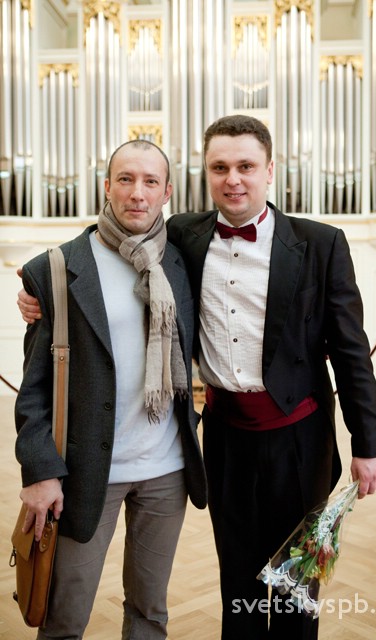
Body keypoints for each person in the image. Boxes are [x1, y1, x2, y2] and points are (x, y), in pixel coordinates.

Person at [18, 116, 376, 640]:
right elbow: (115, 234)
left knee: (296, 585)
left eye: (246, 166)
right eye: (220, 167)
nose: (233, 179)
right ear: (205, 174)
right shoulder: (185, 237)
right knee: (236, 579)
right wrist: (39, 286)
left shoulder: (322, 243)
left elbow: (351, 352)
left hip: (302, 442)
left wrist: (367, 444)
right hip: (225, 439)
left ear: (270, 170)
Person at [14, 139, 207, 640]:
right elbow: (33, 390)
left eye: (150, 182)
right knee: (64, 618)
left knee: (150, 614)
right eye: (125, 179)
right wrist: (40, 472)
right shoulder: (55, 269)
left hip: (166, 470)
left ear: (167, 192)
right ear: (107, 187)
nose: (137, 193)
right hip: (83, 473)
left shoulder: (181, 263)